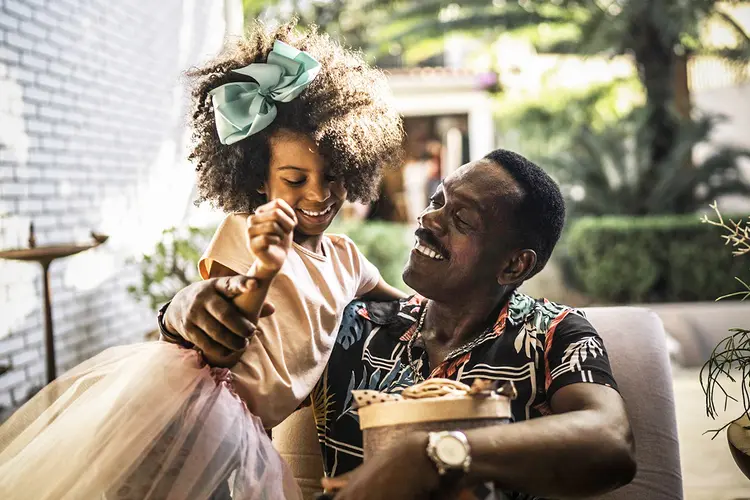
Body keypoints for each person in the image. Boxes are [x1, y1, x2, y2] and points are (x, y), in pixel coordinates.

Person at [0, 21, 404, 500]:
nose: (319, 194)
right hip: (199, 406)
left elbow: (407, 304)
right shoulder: (246, 237)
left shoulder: (347, 258)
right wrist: (267, 268)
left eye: (335, 174)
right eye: (295, 180)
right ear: (258, 180)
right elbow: (225, 342)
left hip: (251, 427)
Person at [168, 149, 637, 499]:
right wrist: (185, 309)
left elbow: (611, 441)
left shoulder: (554, 334)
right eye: (437, 200)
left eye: (461, 218)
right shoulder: (353, 324)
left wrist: (433, 454)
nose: (428, 219)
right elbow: (230, 369)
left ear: (514, 265)